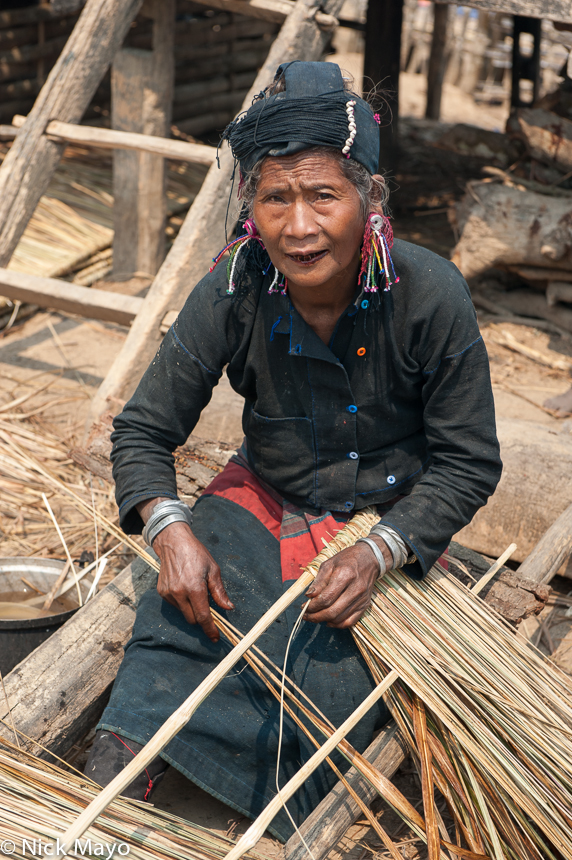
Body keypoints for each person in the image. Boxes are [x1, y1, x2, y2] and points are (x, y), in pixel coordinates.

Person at [85, 62, 502, 840]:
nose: (299, 226)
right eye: (276, 198)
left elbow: (469, 462)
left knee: (335, 671)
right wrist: (169, 529)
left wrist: (381, 551)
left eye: (324, 196)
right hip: (265, 500)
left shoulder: (429, 294)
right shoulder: (235, 285)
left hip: (389, 521)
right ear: (251, 209)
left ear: (369, 202)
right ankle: (118, 778)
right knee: (180, 621)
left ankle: (285, 816)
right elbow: (143, 429)